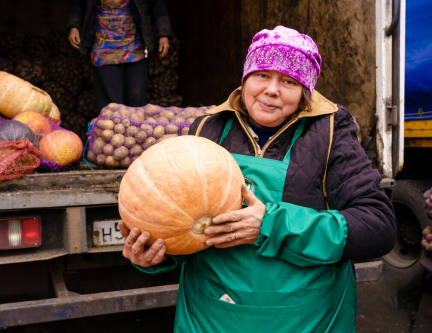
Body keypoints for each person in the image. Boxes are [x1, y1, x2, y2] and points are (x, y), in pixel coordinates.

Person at [119, 26, 396, 332]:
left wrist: (271, 224)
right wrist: (155, 255)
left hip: (303, 319)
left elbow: (377, 227)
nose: (272, 89)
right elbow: (184, 228)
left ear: (306, 92)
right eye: (262, 74)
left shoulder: (331, 135)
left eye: (289, 81)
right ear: (245, 78)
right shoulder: (207, 130)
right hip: (210, 317)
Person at [67, 0, 172, 113]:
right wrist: (74, 25)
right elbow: (78, 3)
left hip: (136, 47)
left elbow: (157, 4)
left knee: (136, 103)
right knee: (111, 108)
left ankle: (133, 130)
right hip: (104, 49)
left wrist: (163, 33)